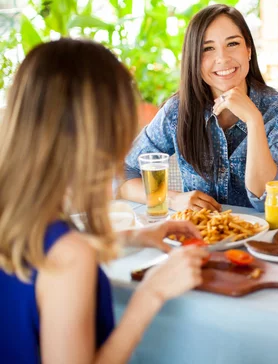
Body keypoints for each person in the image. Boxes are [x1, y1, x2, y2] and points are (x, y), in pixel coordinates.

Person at [0, 39, 209, 363]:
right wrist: (152, 293)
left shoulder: (18, 222)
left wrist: (135, 237)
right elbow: (63, 261)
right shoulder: (70, 258)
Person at [119, 4, 278, 212]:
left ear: (249, 51)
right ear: (194, 60)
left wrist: (253, 120)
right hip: (196, 238)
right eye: (208, 48)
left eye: (232, 44)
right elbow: (126, 172)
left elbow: (264, 200)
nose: (222, 58)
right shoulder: (178, 111)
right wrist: (171, 199)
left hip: (261, 240)